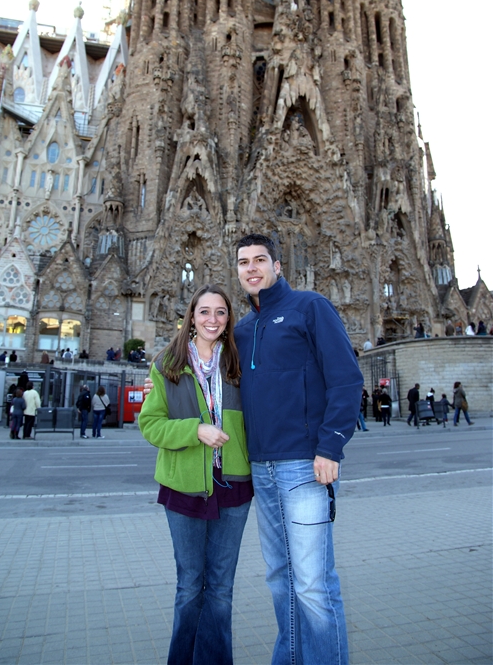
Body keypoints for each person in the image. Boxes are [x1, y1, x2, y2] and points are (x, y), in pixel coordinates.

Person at [234, 233, 362, 665]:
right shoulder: (244, 328)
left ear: (277, 265)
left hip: (305, 467)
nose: (252, 268)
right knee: (280, 579)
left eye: (260, 260)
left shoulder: (309, 307)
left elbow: (346, 378)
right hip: (262, 470)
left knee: (312, 583)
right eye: (243, 262)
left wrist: (331, 447)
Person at [139, 284, 252, 665]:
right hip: (185, 486)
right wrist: (195, 431)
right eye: (205, 312)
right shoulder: (166, 365)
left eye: (220, 312)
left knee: (221, 589)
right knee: (190, 587)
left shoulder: (238, 364)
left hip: (232, 487)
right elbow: (151, 425)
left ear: (228, 320)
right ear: (191, 316)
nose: (212, 319)